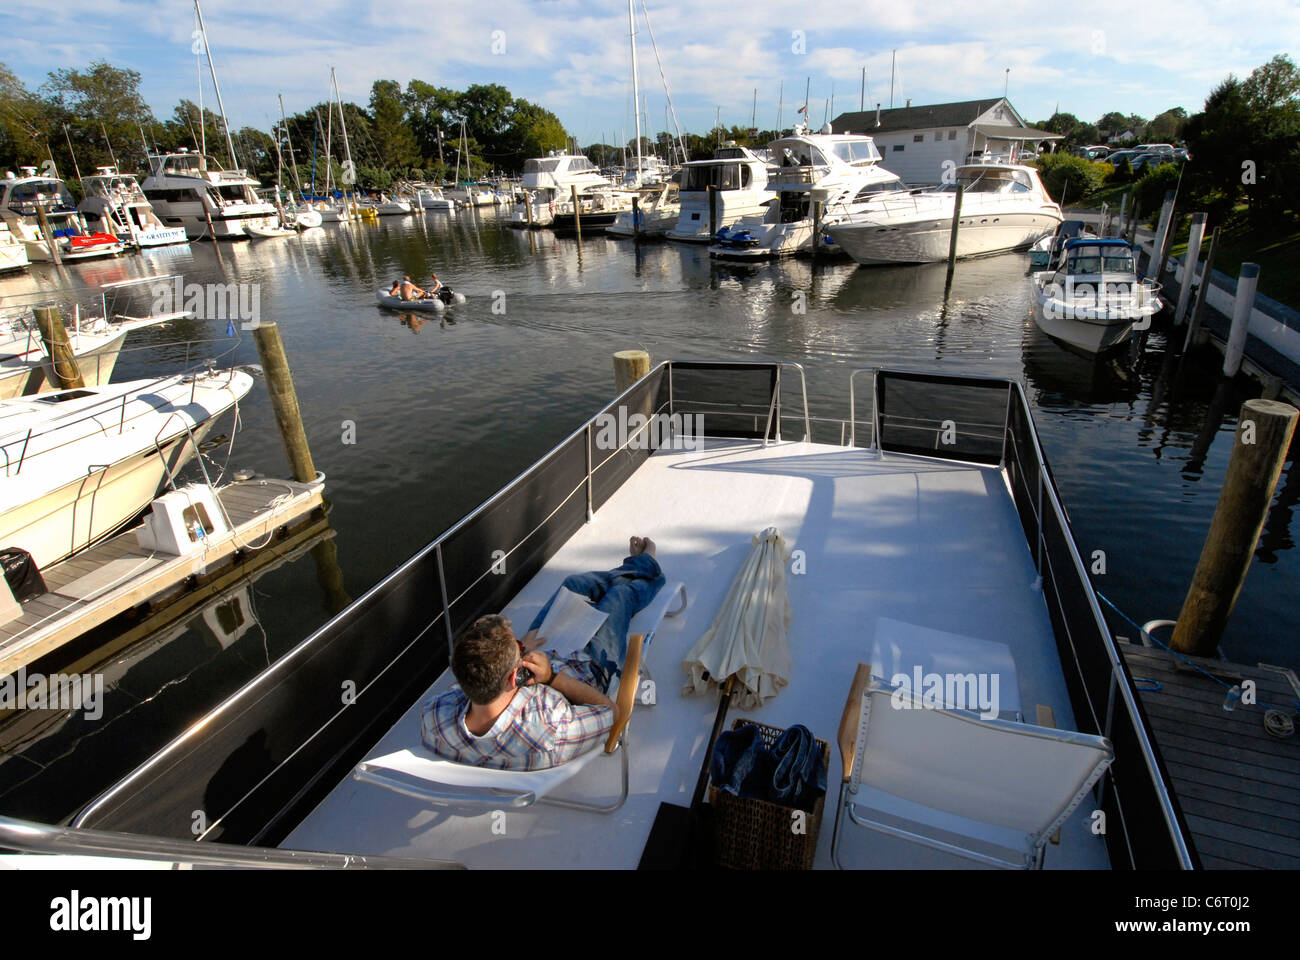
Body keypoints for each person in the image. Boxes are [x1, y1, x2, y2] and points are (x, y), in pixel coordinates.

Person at [421, 536, 665, 770]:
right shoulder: (552, 726)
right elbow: (612, 712)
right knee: (619, 595)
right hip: (590, 670)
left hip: (540, 657)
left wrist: (523, 649)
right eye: (516, 646)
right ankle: (646, 565)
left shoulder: (436, 719)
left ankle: (635, 568)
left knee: (574, 585)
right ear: (513, 677)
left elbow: (474, 672)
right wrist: (551, 678)